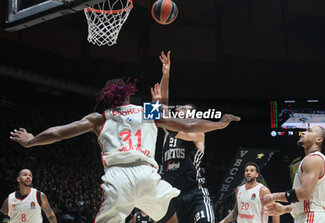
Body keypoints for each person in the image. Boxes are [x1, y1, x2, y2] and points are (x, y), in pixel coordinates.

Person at [10, 77, 240, 223]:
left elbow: (60, 132)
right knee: (171, 217)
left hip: (117, 177)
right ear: (129, 94)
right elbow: (188, 124)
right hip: (148, 177)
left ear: (109, 99)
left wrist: (31, 140)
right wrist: (219, 123)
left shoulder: (99, 118)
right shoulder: (148, 111)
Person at [157, 51, 241, 223]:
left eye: (184, 110)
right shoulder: (168, 131)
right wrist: (166, 74)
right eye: (179, 109)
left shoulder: (197, 133)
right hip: (171, 195)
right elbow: (164, 107)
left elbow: (168, 118)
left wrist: (219, 124)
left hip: (194, 193)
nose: (179, 110)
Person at [263, 126, 325, 223]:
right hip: (308, 216)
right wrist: (284, 209)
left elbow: (303, 193)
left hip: (311, 217)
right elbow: (308, 202)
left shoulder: (313, 159)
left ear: (319, 140)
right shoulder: (312, 158)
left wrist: (273, 196)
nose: (303, 133)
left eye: (309, 131)